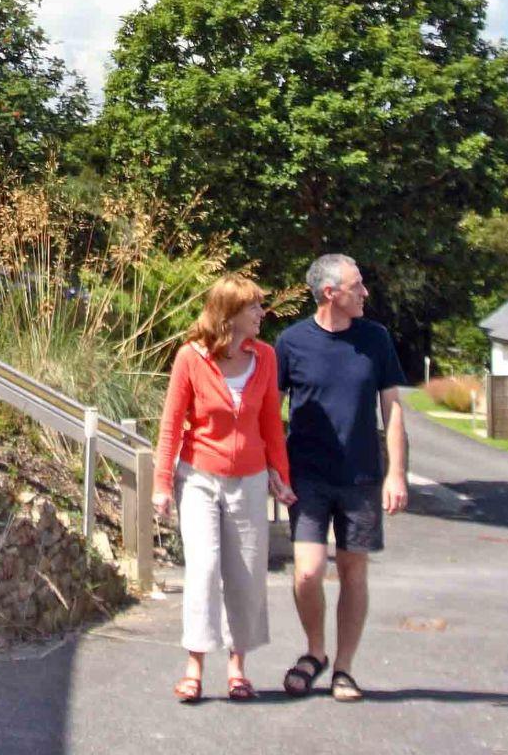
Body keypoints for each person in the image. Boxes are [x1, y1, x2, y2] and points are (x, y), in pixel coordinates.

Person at [152, 274, 296, 704]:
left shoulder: (265, 357)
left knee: (247, 572)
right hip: (198, 475)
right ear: (229, 315)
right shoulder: (190, 357)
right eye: (253, 307)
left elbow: (270, 420)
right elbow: (171, 424)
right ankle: (194, 667)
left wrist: (280, 474)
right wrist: (162, 484)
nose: (261, 314)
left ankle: (237, 668)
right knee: (204, 566)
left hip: (249, 478)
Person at [275, 252, 408, 703]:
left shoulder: (376, 339)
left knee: (353, 572)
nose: (365, 292)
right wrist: (274, 468)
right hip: (307, 477)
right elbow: (269, 410)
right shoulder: (291, 342)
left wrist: (396, 474)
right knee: (308, 573)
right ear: (330, 293)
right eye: (357, 286)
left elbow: (392, 408)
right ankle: (315, 652)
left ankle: (344, 668)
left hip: (362, 477)